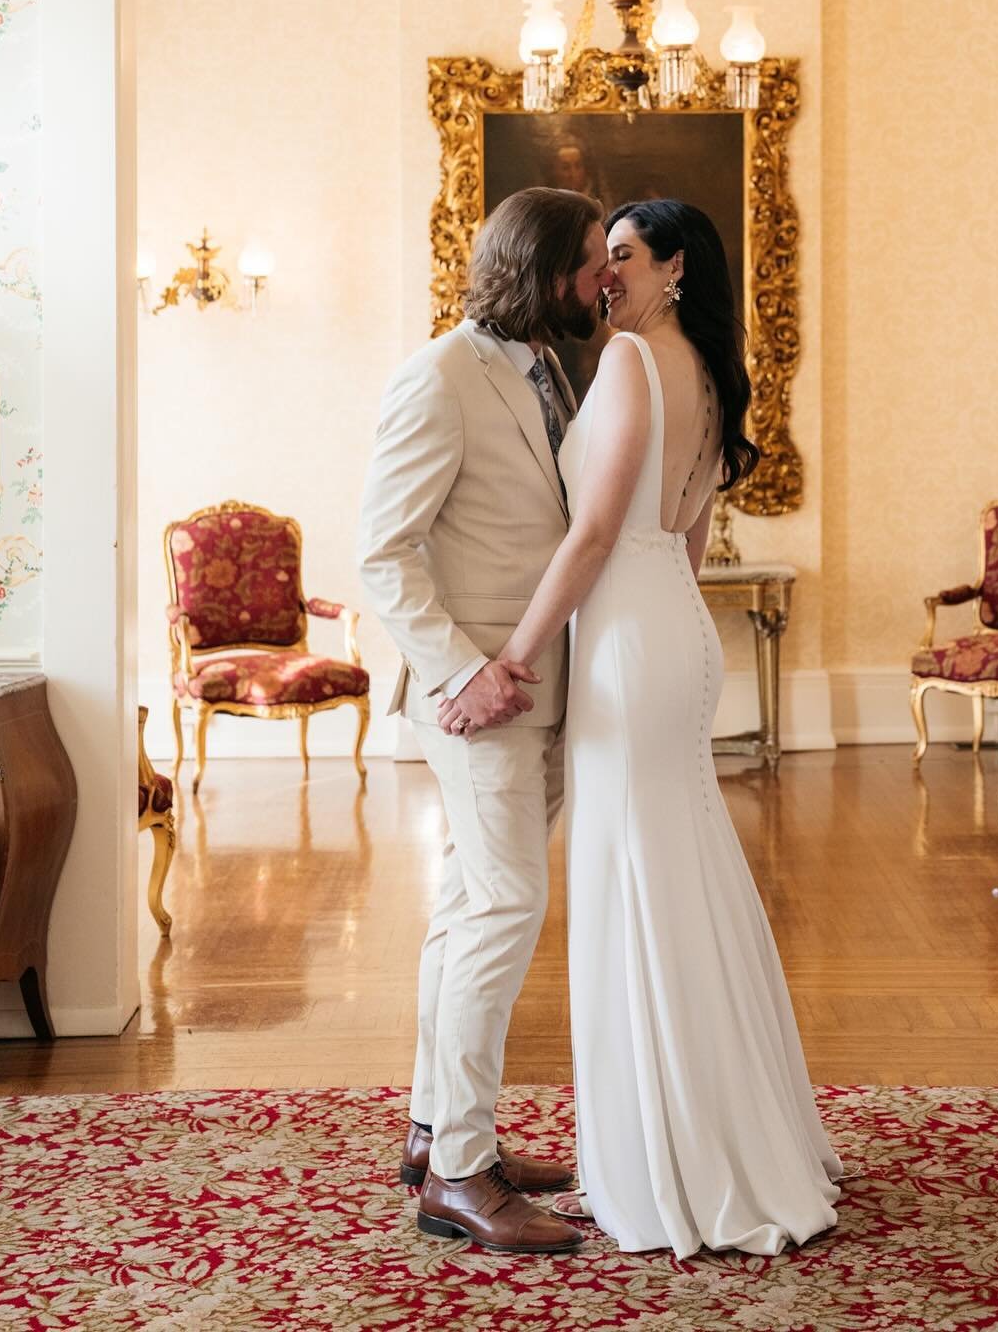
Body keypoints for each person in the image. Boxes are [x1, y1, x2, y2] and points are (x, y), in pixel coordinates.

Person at [438, 199, 842, 1257]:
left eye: (623, 255)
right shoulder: (707, 372)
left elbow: (594, 532)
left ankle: (670, 1163)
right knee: (681, 876)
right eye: (598, 258)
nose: (605, 274)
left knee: (637, 888)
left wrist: (516, 655)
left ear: (670, 267)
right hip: (672, 627)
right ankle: (726, 1131)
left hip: (626, 643)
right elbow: (687, 535)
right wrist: (655, 619)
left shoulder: (628, 364)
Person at [356, 186, 614, 1257]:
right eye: (593, 259)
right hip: (482, 699)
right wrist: (467, 674)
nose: (606, 275)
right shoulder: (439, 376)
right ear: (541, 266)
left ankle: (434, 1132)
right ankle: (461, 1174)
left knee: (471, 907)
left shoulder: (549, 366)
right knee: (505, 909)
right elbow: (384, 551)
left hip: (544, 688)